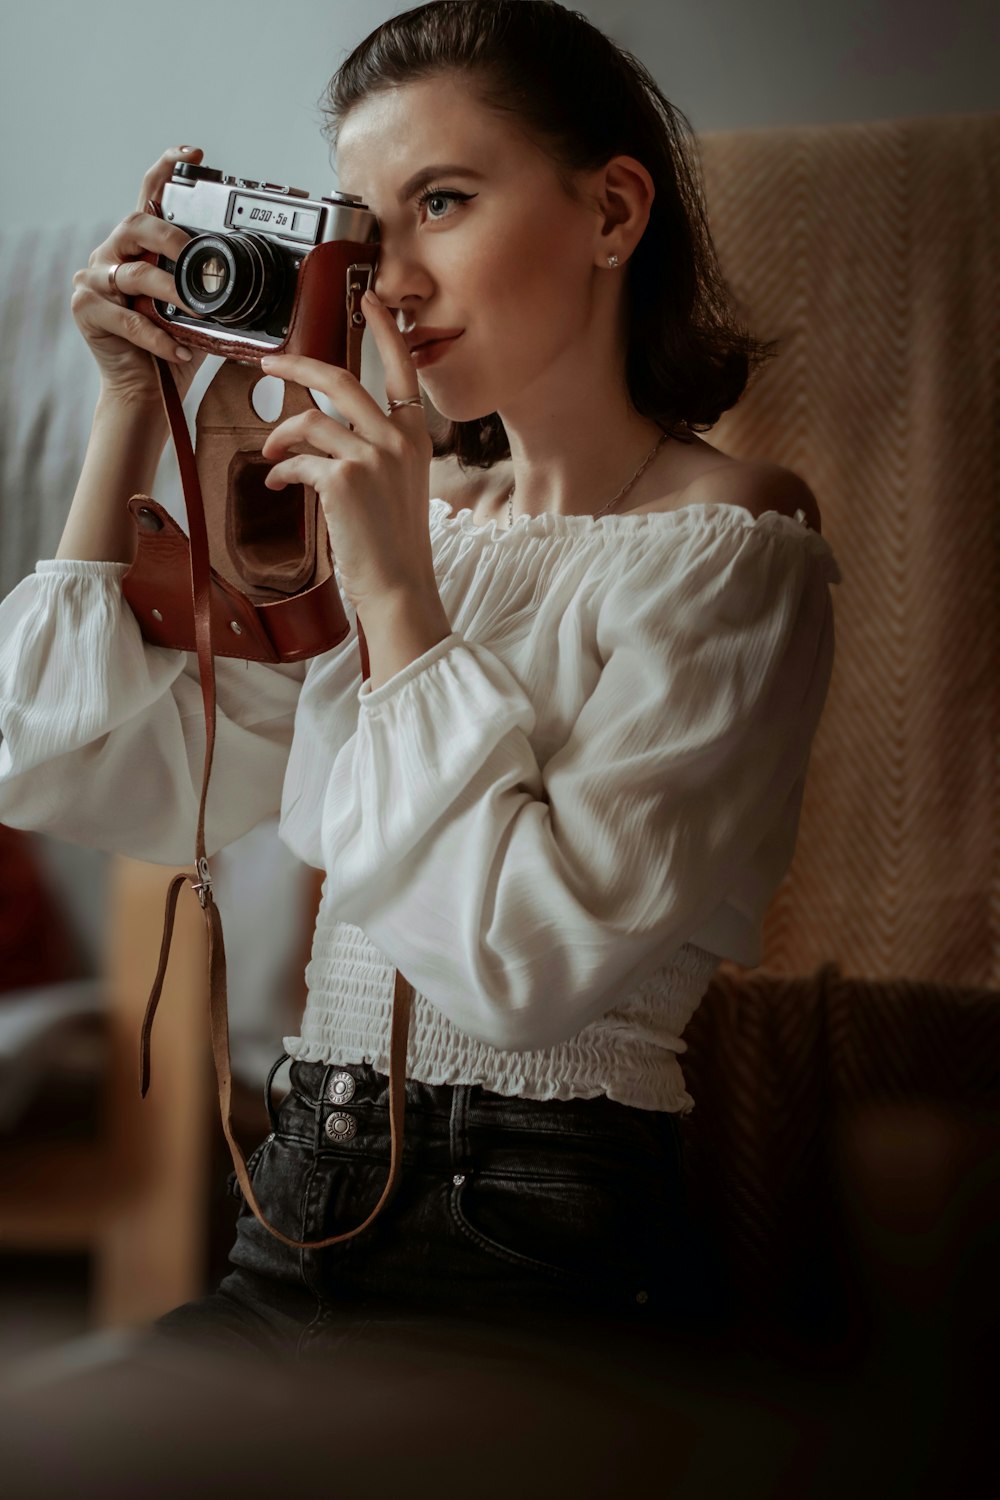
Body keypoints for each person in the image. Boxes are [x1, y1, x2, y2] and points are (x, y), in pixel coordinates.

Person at [0, 0, 841, 1363]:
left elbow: (524, 966)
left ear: (614, 211)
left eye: (443, 200)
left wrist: (395, 590)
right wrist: (124, 407)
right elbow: (68, 770)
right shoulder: (419, 514)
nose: (390, 283)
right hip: (292, 1206)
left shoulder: (730, 543)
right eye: (368, 235)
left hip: (539, 1230)